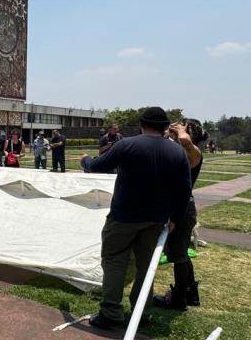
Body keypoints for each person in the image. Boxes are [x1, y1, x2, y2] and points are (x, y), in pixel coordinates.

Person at [80, 107, 192, 330]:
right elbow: (184, 190)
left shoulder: (127, 144)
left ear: (142, 124)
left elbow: (97, 166)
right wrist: (175, 219)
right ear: (164, 127)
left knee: (114, 262)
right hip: (155, 220)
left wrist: (86, 160)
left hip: (123, 216)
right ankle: (141, 312)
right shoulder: (177, 152)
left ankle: (110, 312)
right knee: (145, 267)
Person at [153, 119, 207, 311]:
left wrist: (181, 133)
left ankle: (178, 300)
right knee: (180, 253)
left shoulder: (193, 153)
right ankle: (190, 293)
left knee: (179, 256)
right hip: (178, 207)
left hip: (181, 209)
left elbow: (185, 142)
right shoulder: (177, 150)